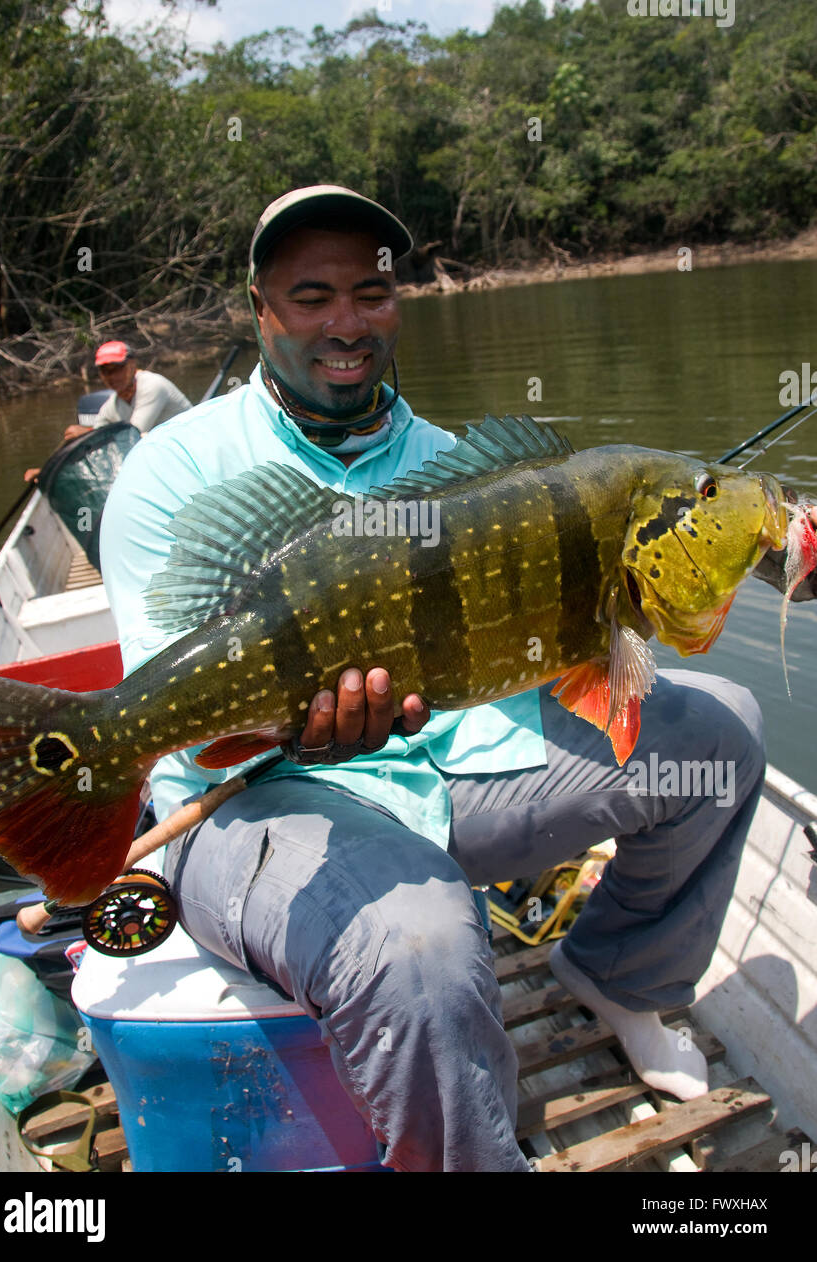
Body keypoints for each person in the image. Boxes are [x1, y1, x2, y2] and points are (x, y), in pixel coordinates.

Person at [98, 184, 814, 1173]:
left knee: (721, 734)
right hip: (246, 800)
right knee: (421, 940)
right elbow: (176, 711)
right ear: (258, 307)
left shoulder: (456, 466)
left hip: (448, 762)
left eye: (371, 292)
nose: (345, 323)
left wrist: (769, 556)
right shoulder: (172, 471)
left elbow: (583, 649)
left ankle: (620, 972)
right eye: (310, 297)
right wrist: (285, 728)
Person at [23, 341, 191, 481]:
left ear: (132, 365)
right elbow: (93, 443)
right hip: (161, 460)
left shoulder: (152, 386)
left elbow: (131, 435)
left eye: (117, 368)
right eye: (105, 371)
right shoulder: (111, 406)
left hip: (187, 456)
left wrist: (85, 434)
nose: (112, 376)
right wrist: (47, 470)